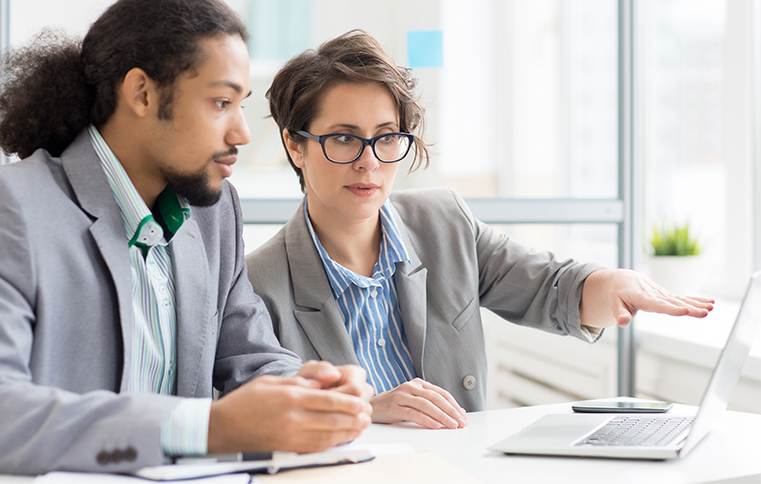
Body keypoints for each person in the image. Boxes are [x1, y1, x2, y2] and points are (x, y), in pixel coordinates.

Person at [244, 30, 714, 431]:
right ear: (295, 145)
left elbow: (548, 286)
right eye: (344, 138)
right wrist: (366, 408)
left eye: (387, 137)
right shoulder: (258, 283)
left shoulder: (443, 221)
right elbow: (259, 408)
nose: (369, 161)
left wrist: (610, 284)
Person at [0, 0, 373, 476]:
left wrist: (312, 394)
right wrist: (204, 427)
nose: (241, 133)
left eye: (242, 105)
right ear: (142, 94)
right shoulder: (14, 207)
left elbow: (252, 356)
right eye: (220, 103)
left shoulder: (213, 212)